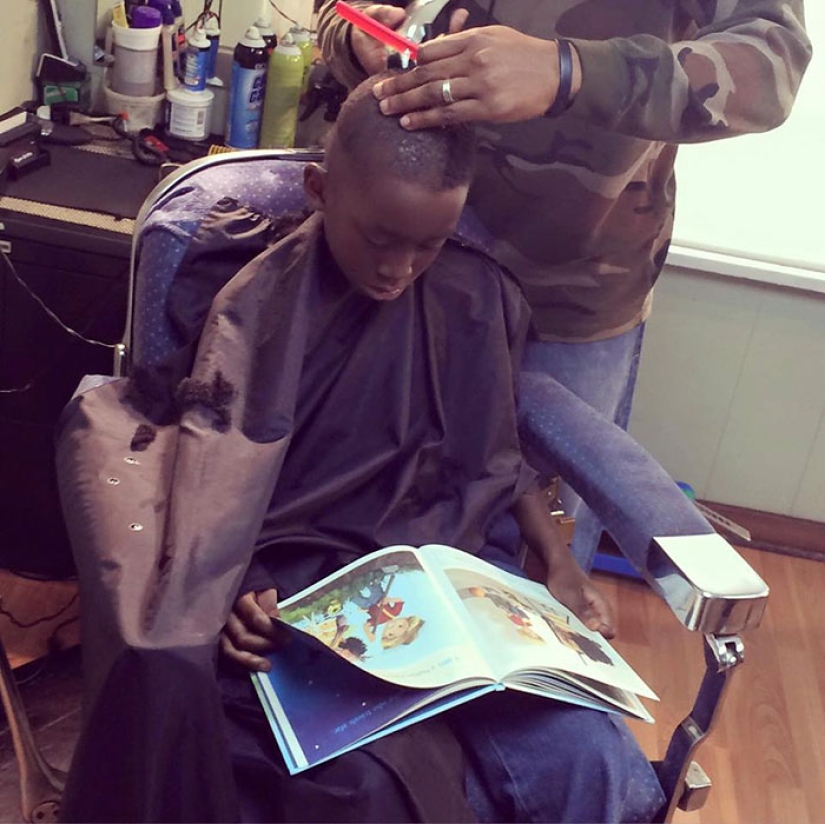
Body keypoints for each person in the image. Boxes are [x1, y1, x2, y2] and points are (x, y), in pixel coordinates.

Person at [57, 72, 661, 822]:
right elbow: (201, 460)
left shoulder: (475, 295)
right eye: (379, 238)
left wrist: (560, 565)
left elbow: (495, 458)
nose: (398, 270)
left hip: (449, 583)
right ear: (318, 189)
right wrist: (238, 577)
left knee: (595, 769)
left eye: (429, 245)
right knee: (366, 792)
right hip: (302, 598)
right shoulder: (250, 297)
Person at [317, 0, 812, 570]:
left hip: (566, 294)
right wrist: (357, 38)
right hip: (399, 259)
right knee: (354, 518)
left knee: (536, 567)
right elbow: (339, 10)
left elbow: (772, 64)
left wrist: (567, 71)